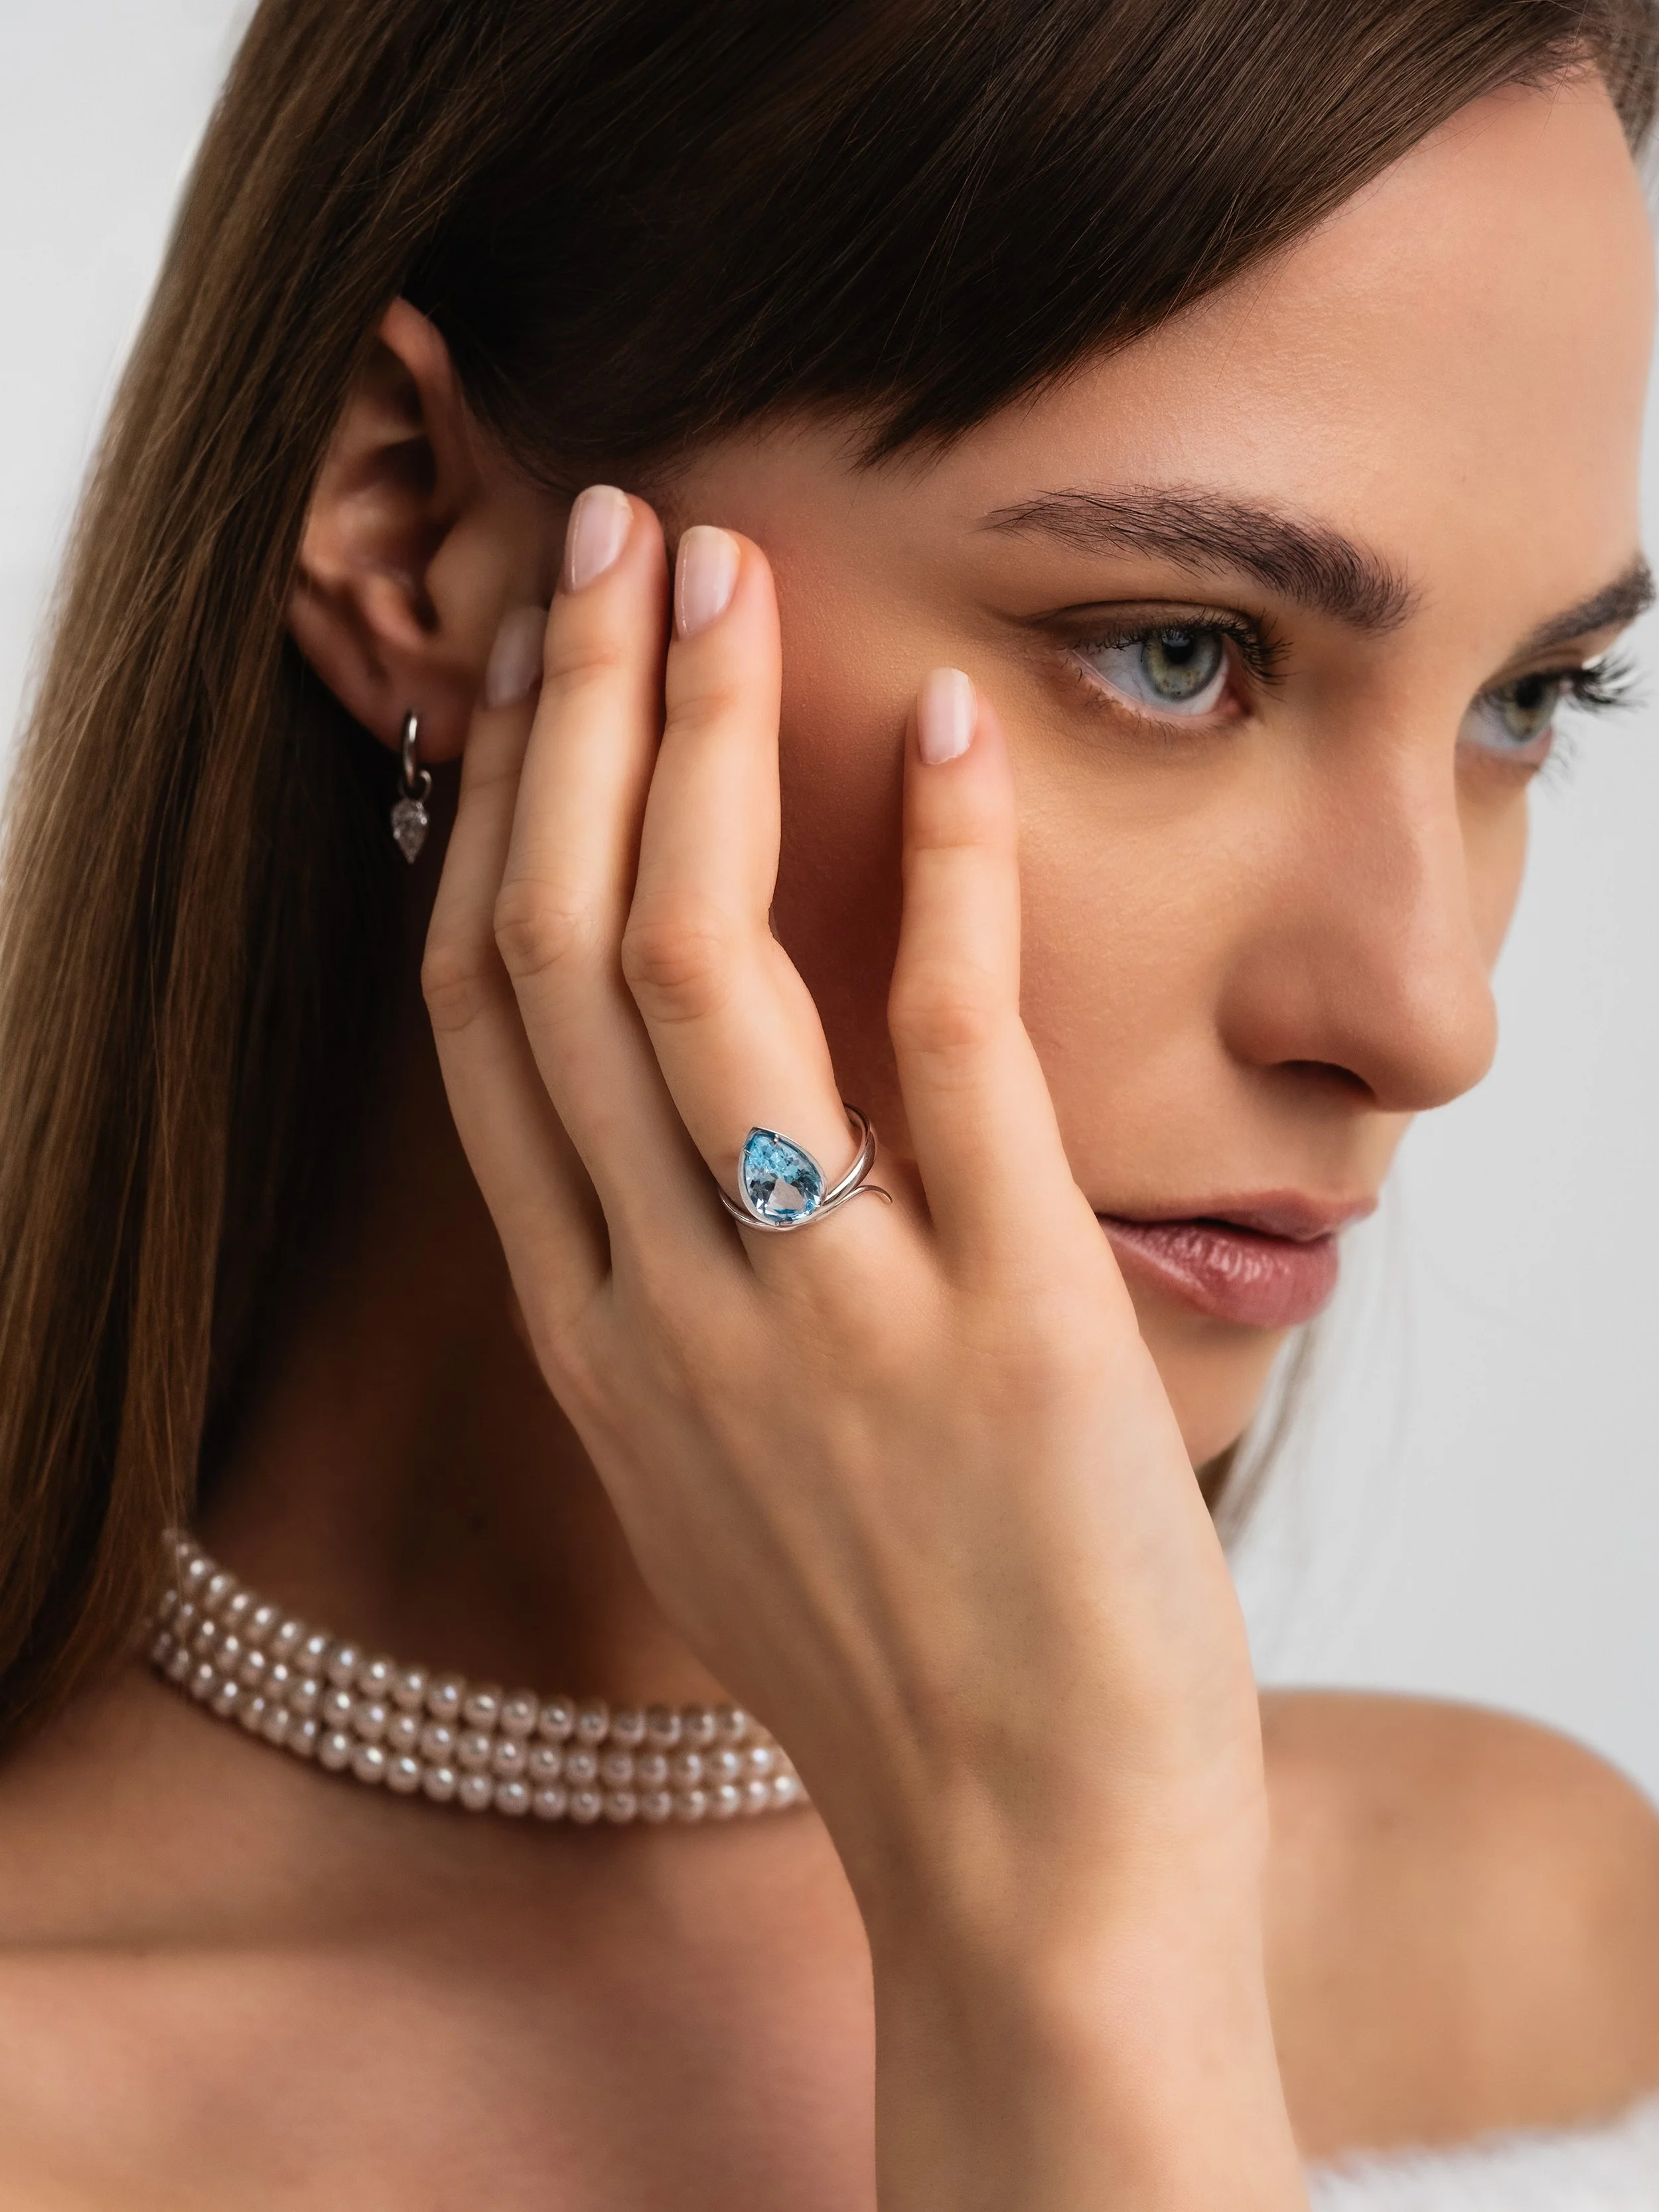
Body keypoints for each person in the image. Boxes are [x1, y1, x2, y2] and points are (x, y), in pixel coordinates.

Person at [1, 1, 1657, 2203]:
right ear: (412, 533)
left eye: (1526, 697)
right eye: (1177, 650)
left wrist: (1071, 1944)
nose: (1427, 1012)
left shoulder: (1536, 1941)